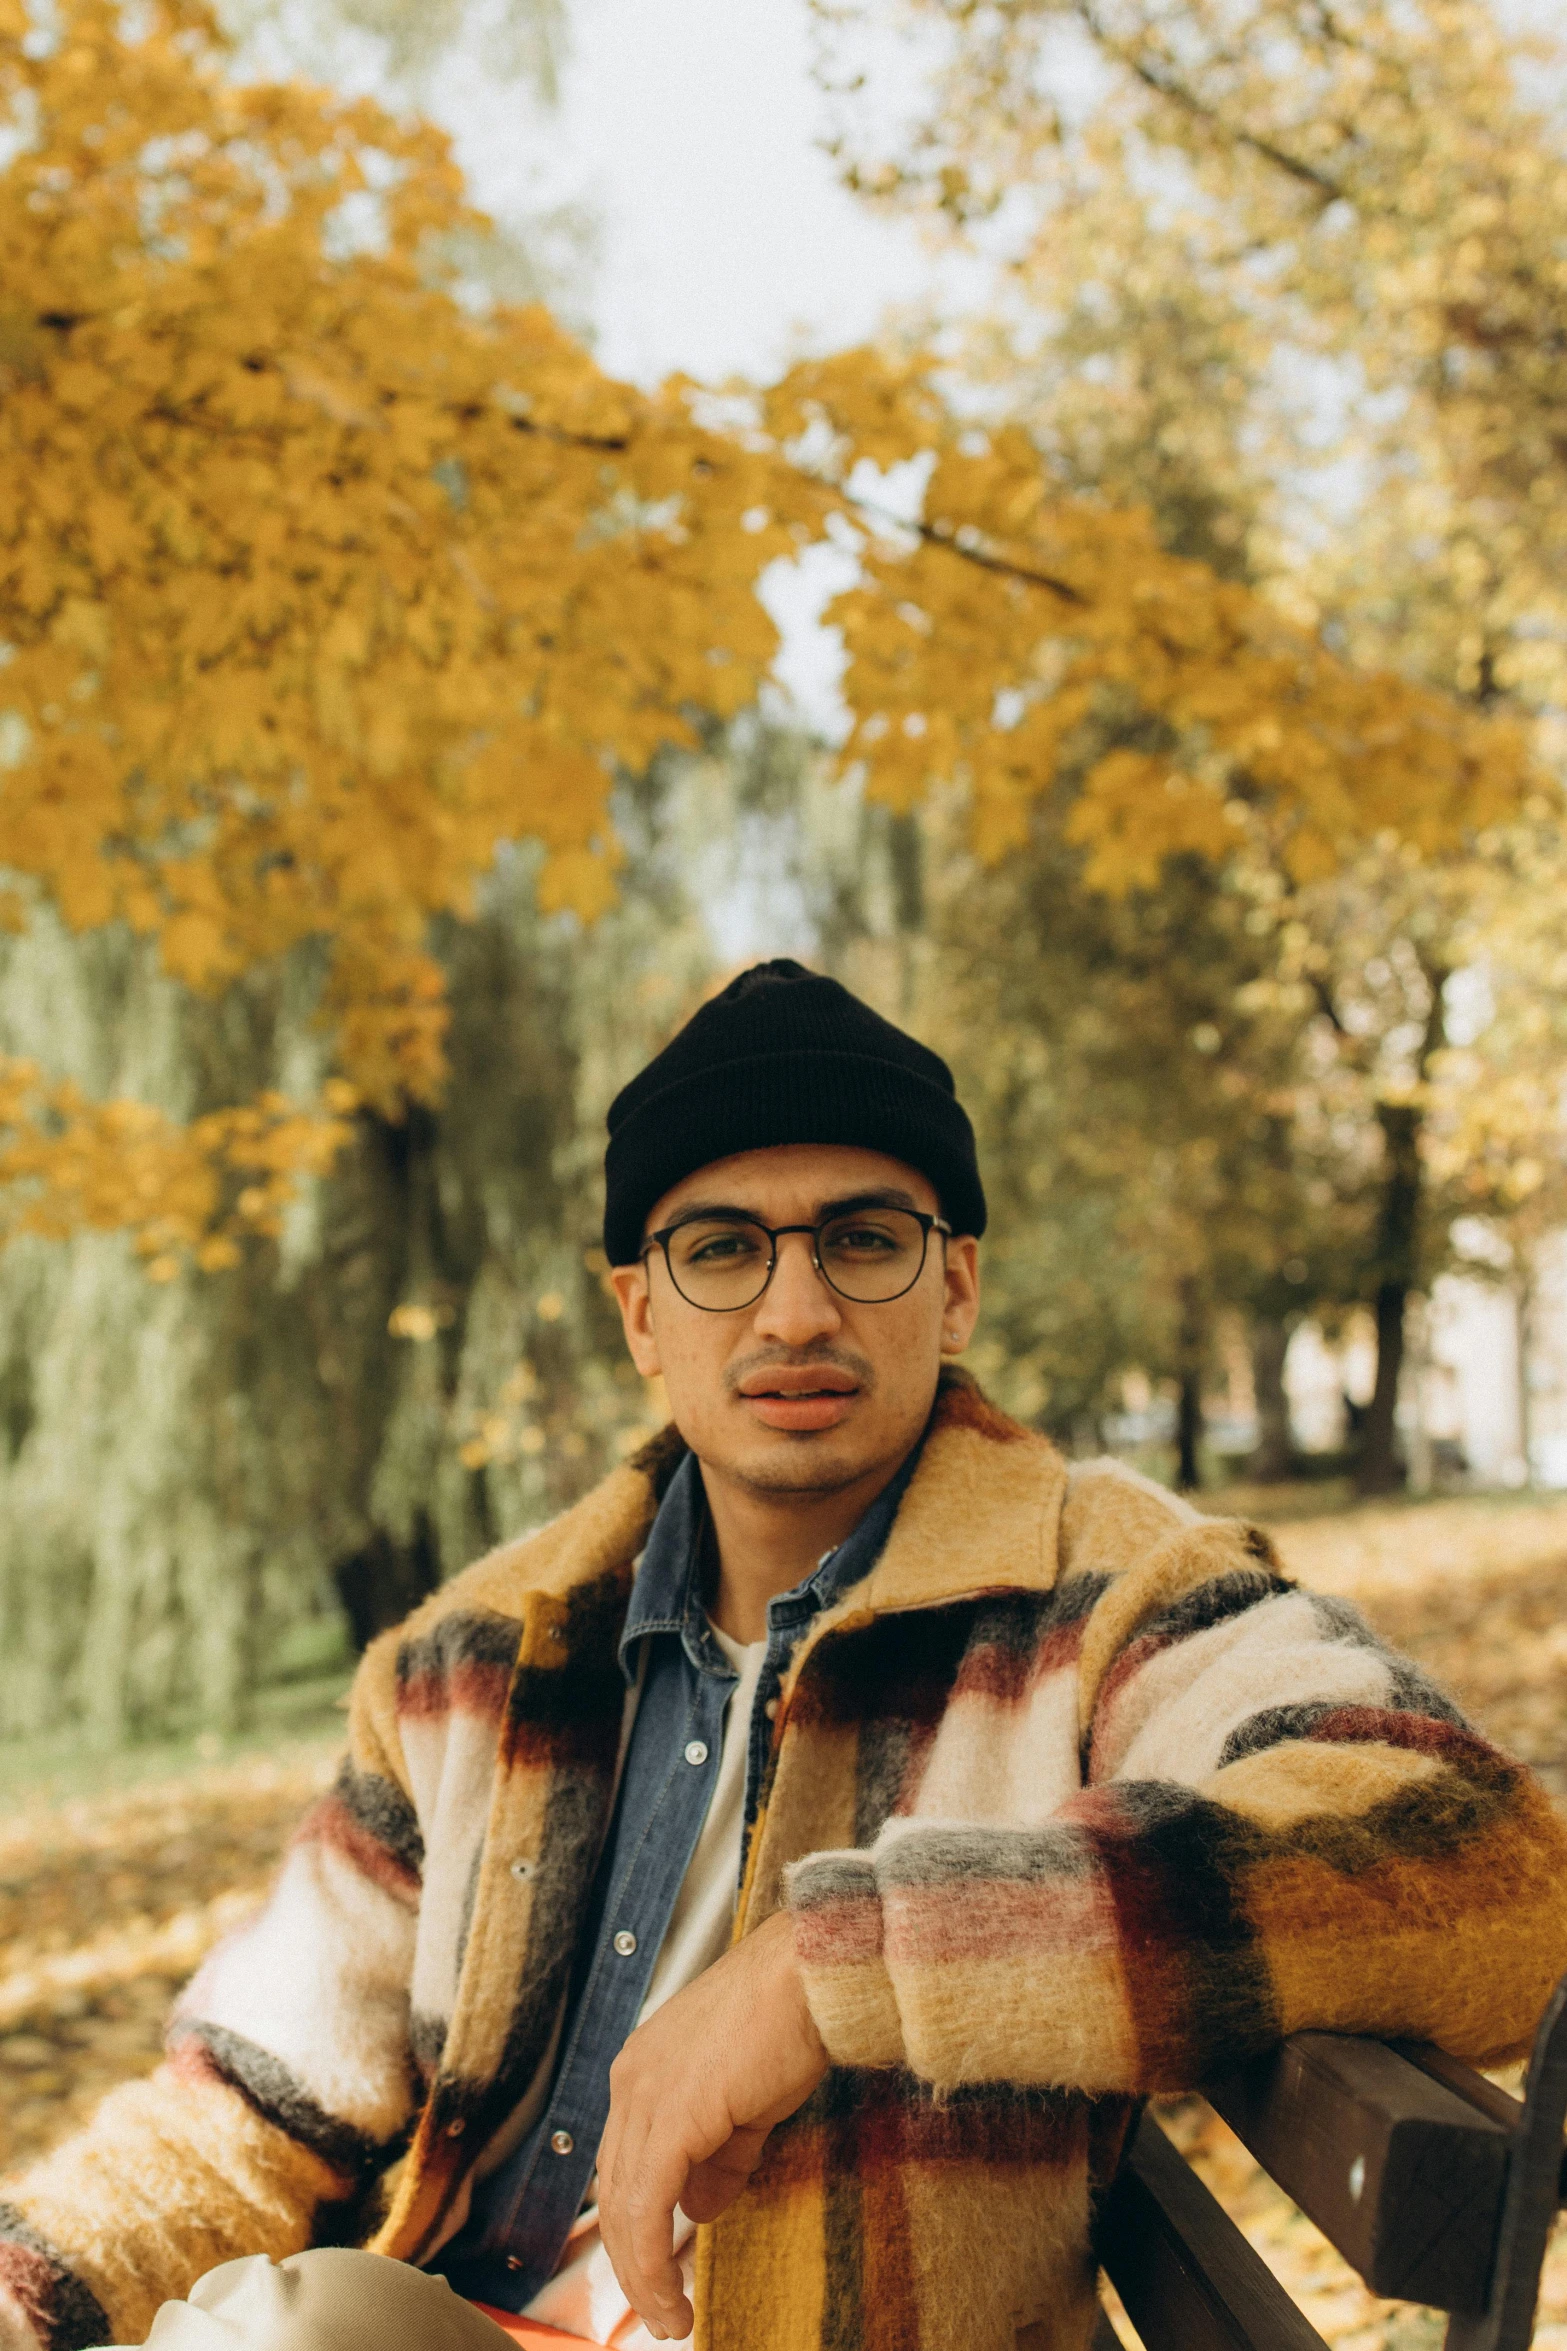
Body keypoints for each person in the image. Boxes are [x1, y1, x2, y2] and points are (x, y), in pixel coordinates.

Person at [3, 960, 1564, 2351]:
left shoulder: (1091, 1596)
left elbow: (1475, 1858)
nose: (797, 1305)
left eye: (864, 1239)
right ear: (640, 1313)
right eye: (723, 1247)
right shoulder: (464, 1666)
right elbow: (244, 2108)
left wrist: (841, 1967)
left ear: (952, 1286)